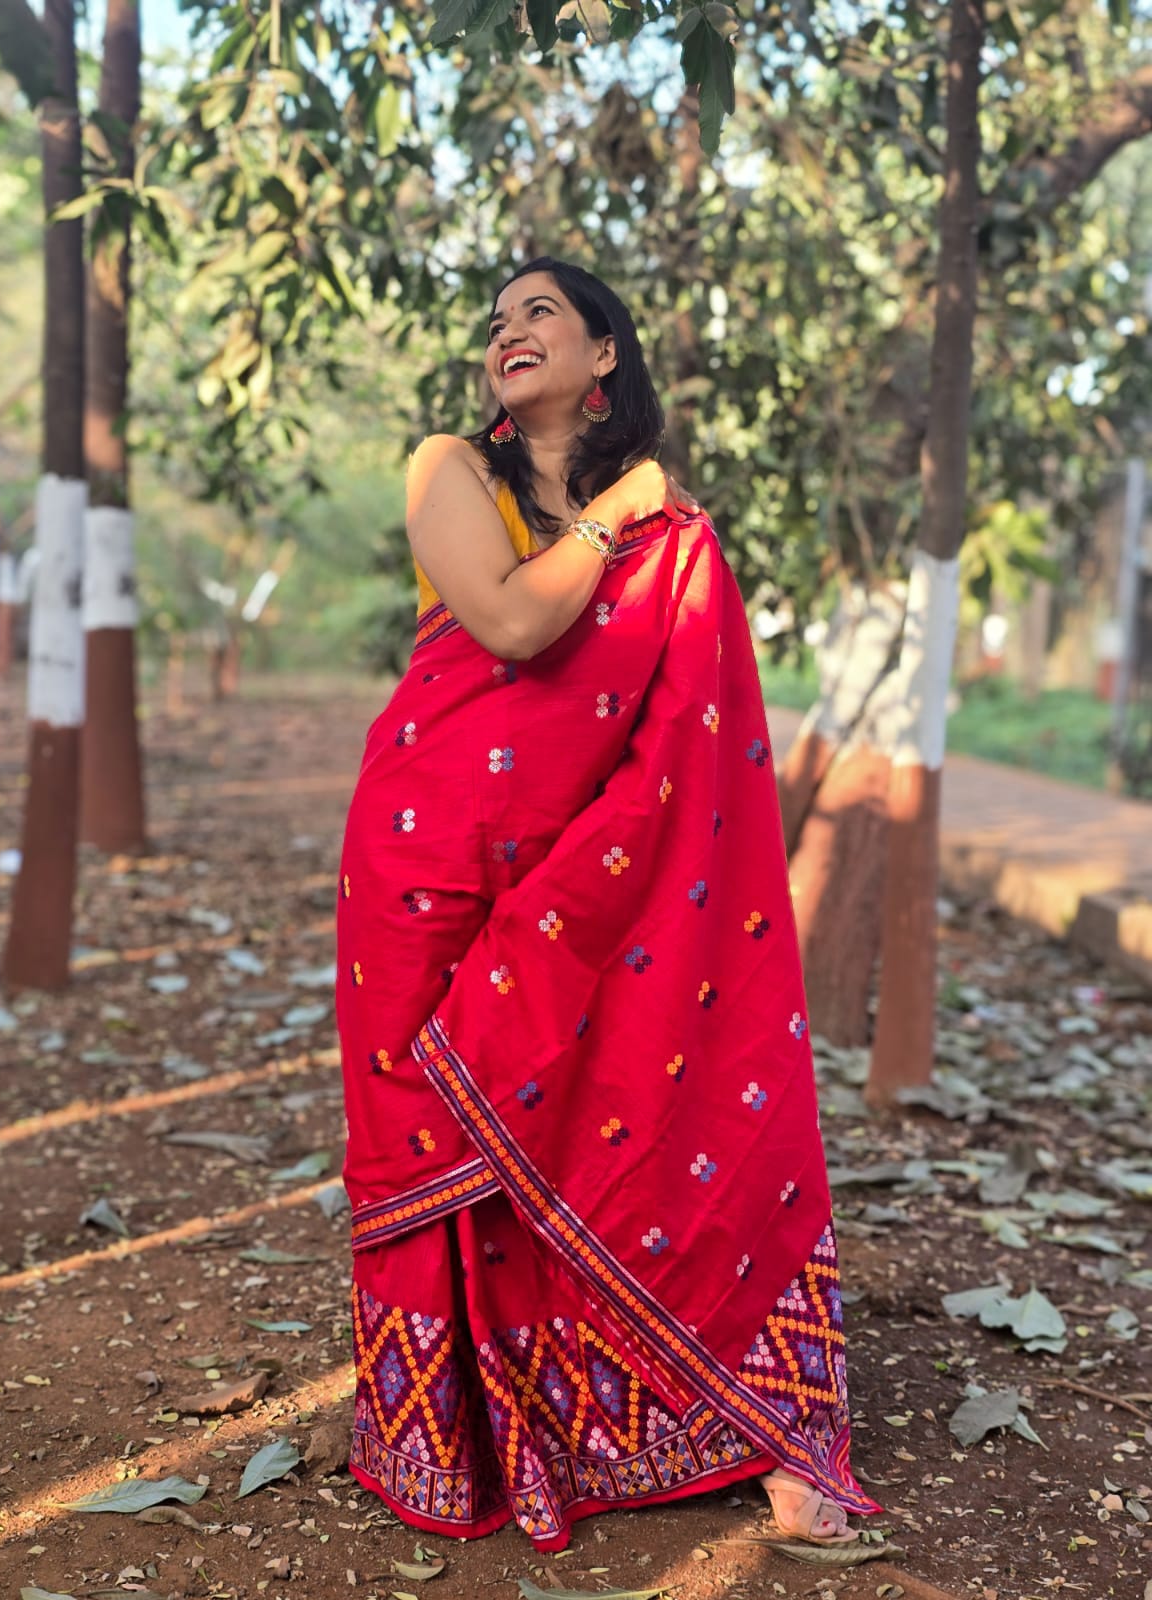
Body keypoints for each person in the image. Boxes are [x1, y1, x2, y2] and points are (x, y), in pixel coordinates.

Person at [335, 258, 877, 1552]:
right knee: (445, 1151)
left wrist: (637, 516)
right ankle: (459, 1437)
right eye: (497, 320)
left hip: (608, 882)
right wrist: (613, 514)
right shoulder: (450, 470)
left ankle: (749, 1423)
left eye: (540, 314)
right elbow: (512, 627)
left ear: (605, 355)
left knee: (649, 1100)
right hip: (433, 856)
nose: (507, 333)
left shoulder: (672, 540)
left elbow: (694, 733)